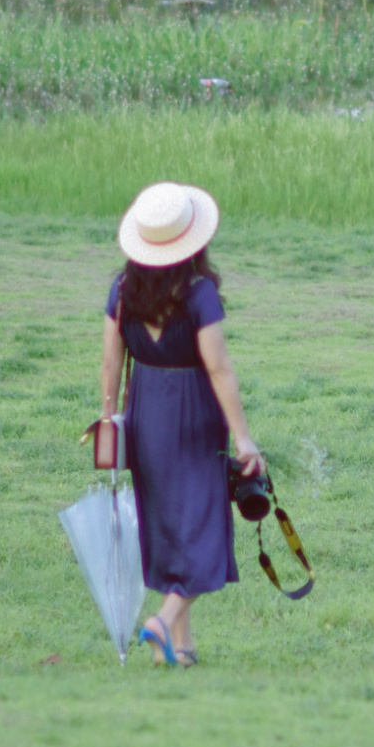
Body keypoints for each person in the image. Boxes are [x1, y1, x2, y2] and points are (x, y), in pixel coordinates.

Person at [98, 179, 261, 667]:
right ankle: (163, 622)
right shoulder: (198, 292)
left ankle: (181, 649)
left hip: (145, 413)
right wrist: (243, 437)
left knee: (169, 524)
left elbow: (110, 362)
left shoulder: (122, 290)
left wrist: (108, 418)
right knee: (204, 527)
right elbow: (219, 368)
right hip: (194, 415)